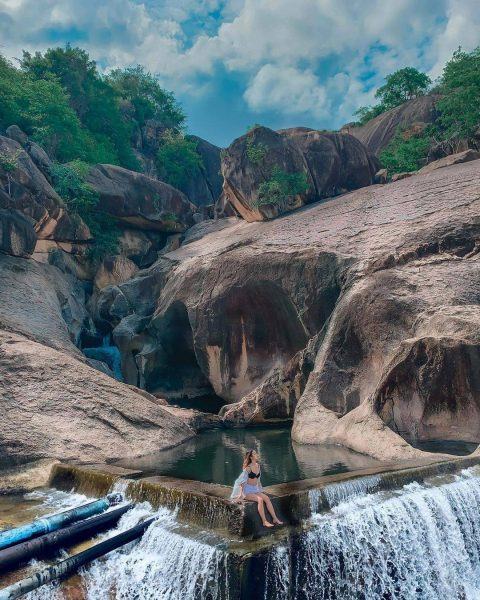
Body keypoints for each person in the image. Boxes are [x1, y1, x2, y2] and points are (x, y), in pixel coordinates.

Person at [230, 449, 283, 527]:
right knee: (260, 500)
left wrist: (260, 490)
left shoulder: (257, 465)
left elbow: (258, 479)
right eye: (255, 454)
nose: (257, 454)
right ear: (251, 457)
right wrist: (240, 495)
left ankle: (275, 519)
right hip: (247, 491)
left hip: (255, 489)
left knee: (267, 498)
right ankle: (264, 521)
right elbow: (242, 482)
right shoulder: (247, 468)